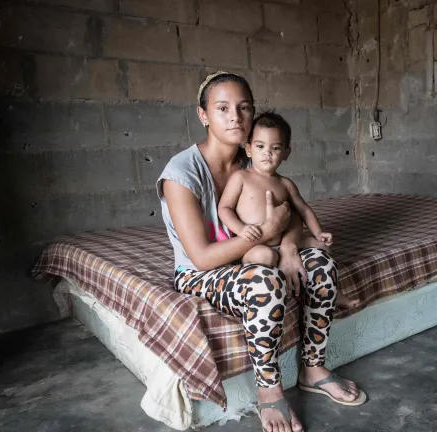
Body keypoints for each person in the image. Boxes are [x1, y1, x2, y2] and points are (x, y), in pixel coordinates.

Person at [156, 71, 366, 432]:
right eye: (222, 108)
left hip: (253, 254)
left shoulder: (254, 158)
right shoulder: (182, 172)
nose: (235, 117)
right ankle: (268, 390)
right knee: (264, 283)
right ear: (203, 115)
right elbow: (202, 258)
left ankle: (313, 368)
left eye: (244, 107)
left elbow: (289, 213)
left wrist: (289, 247)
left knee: (318, 264)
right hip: (201, 271)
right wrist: (266, 234)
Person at [217, 111, 360, 309]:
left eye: (275, 148)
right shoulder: (241, 178)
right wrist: (240, 229)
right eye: (260, 146)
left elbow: (304, 209)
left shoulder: (285, 184)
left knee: (322, 247)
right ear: (248, 149)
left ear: (286, 153)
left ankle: (332, 293)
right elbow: (224, 208)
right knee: (266, 257)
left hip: (284, 240)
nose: (267, 153)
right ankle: (266, 292)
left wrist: (318, 232)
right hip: (254, 245)